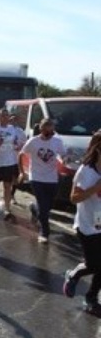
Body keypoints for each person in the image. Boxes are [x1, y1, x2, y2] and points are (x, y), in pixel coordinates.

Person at [62, 131, 101, 317]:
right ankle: (74, 275)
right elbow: (74, 198)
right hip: (87, 225)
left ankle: (91, 298)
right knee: (93, 264)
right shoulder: (86, 171)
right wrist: (96, 188)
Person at [18, 118, 66, 243]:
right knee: (44, 207)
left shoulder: (57, 141)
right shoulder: (33, 141)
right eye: (47, 130)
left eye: (52, 130)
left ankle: (34, 208)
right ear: (41, 129)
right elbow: (21, 154)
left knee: (48, 205)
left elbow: (63, 155)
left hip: (52, 178)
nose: (50, 133)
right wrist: (22, 172)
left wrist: (66, 158)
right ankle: (44, 232)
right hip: (36, 177)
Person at [0, 108, 23, 221]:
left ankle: (7, 209)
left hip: (9, 161)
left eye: (6, 115)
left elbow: (15, 141)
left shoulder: (12, 129)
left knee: (7, 186)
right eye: (2, 115)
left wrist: (17, 145)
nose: (5, 117)